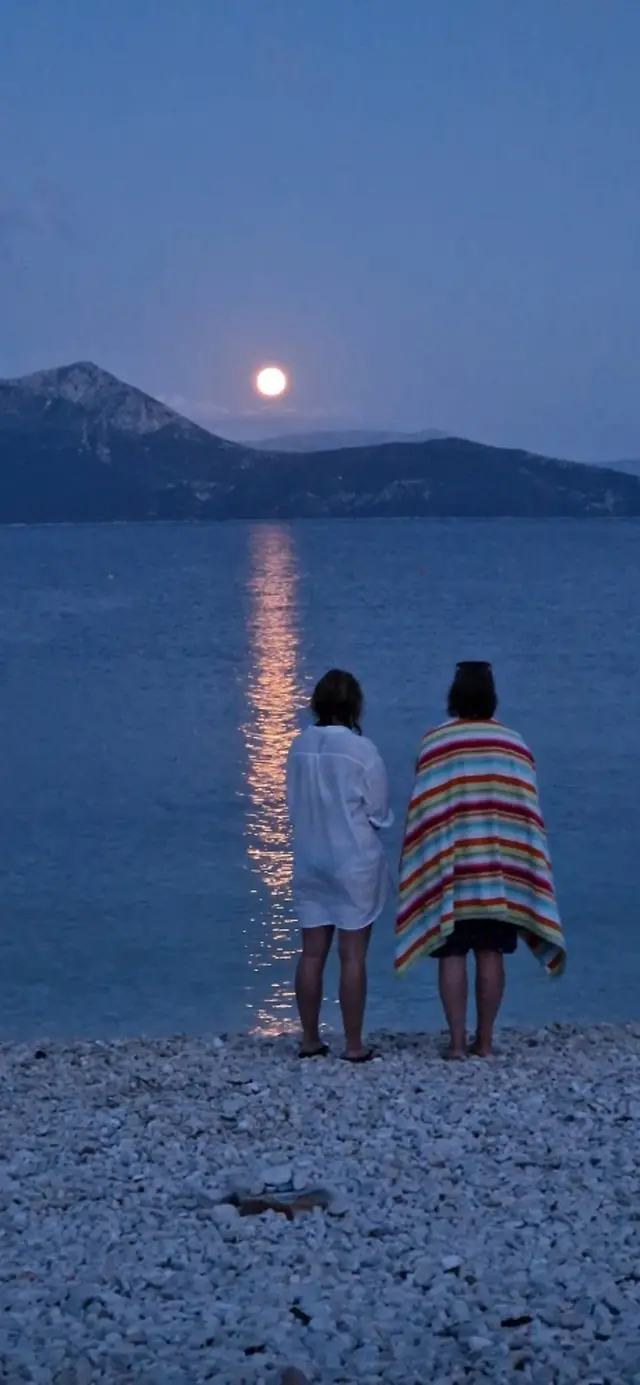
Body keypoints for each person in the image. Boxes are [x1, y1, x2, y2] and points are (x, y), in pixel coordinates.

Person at [395, 662, 566, 1058]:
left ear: (453, 694)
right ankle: (485, 1042)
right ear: (492, 695)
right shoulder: (513, 744)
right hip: (497, 871)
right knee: (490, 952)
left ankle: (456, 1044)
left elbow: (425, 809)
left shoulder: (434, 743)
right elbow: (525, 812)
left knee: (451, 952)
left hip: (450, 870)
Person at [286, 669, 393, 1062]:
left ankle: (310, 1039)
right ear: (355, 705)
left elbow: (291, 802)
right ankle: (353, 1044)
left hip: (309, 856)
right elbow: (379, 814)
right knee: (353, 955)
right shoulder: (361, 751)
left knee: (311, 952)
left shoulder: (298, 746)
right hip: (352, 860)